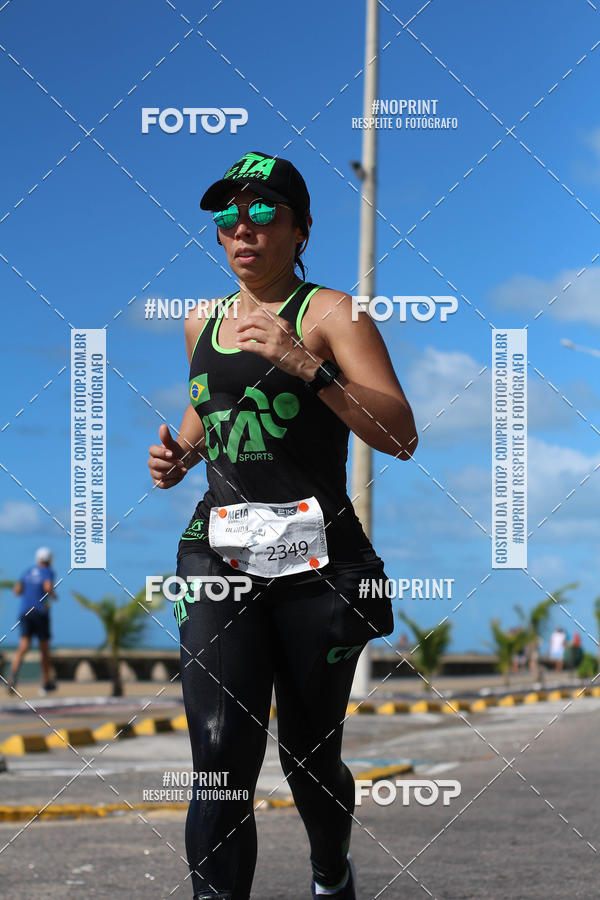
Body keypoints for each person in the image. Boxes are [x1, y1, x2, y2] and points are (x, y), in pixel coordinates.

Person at [147, 151, 418, 900]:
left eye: (263, 214)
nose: (243, 230)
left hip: (317, 563)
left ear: (299, 231)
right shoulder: (201, 319)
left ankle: (330, 872)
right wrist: (177, 457)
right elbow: (209, 413)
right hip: (220, 552)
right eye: (228, 218)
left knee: (309, 757)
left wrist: (310, 368)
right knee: (219, 752)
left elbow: (400, 435)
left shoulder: (333, 314)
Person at [7, 547, 58, 696]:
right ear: (49, 560)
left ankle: (13, 674)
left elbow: (16, 590)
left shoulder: (27, 571)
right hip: (40, 612)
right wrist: (53, 596)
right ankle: (46, 682)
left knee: (23, 645)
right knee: (44, 649)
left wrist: (29, 593)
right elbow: (48, 587)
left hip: (25, 611)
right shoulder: (48, 571)